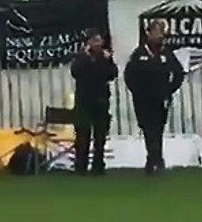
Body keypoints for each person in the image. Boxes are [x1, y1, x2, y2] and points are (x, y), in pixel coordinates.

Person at [125, 20, 184, 175]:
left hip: (161, 98)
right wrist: (136, 91)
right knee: (147, 128)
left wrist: (170, 89)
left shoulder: (166, 53)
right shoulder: (139, 53)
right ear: (149, 33)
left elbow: (179, 72)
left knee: (158, 128)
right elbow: (129, 75)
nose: (160, 36)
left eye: (162, 32)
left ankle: (155, 159)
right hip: (143, 99)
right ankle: (154, 158)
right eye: (156, 32)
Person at [69, 28, 117, 175]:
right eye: (94, 41)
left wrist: (108, 60)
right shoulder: (80, 57)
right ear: (88, 42)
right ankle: (81, 165)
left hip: (101, 99)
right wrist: (86, 57)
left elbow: (113, 74)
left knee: (100, 134)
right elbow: (75, 72)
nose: (97, 44)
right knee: (83, 133)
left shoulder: (105, 57)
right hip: (84, 100)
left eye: (99, 41)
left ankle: (98, 165)